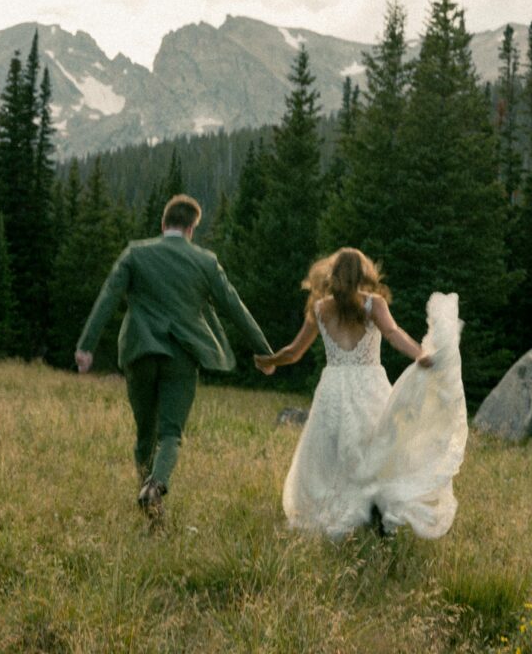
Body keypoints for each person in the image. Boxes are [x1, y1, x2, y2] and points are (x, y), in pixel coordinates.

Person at [75, 193, 273, 526]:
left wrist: (86, 346)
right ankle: (156, 486)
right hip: (181, 357)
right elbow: (233, 307)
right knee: (170, 433)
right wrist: (264, 351)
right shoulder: (205, 261)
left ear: (163, 223)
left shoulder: (136, 254)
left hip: (139, 352)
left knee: (144, 433)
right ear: (192, 228)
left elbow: (108, 295)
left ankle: (148, 500)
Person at [255, 248, 468, 540]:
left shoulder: (319, 308)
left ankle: (347, 512)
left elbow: (293, 353)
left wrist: (270, 362)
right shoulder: (374, 304)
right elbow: (393, 334)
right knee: (376, 448)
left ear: (333, 274)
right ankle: (373, 513)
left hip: (333, 387)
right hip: (369, 384)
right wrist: (419, 354)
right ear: (364, 273)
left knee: (333, 454)